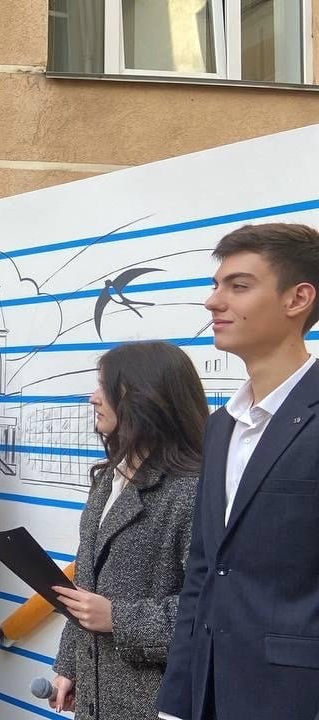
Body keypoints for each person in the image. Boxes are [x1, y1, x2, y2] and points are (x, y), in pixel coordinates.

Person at [157, 223, 319, 720]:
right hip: (209, 691)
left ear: (298, 299)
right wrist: (176, 701)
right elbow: (203, 573)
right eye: (216, 285)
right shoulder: (221, 425)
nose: (213, 301)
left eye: (239, 286)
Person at [46, 342, 205, 718]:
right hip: (96, 696)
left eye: (105, 386)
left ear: (143, 395)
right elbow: (85, 586)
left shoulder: (192, 489)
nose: (93, 397)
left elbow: (209, 612)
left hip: (155, 702)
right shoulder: (108, 477)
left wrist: (118, 618)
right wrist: (70, 664)